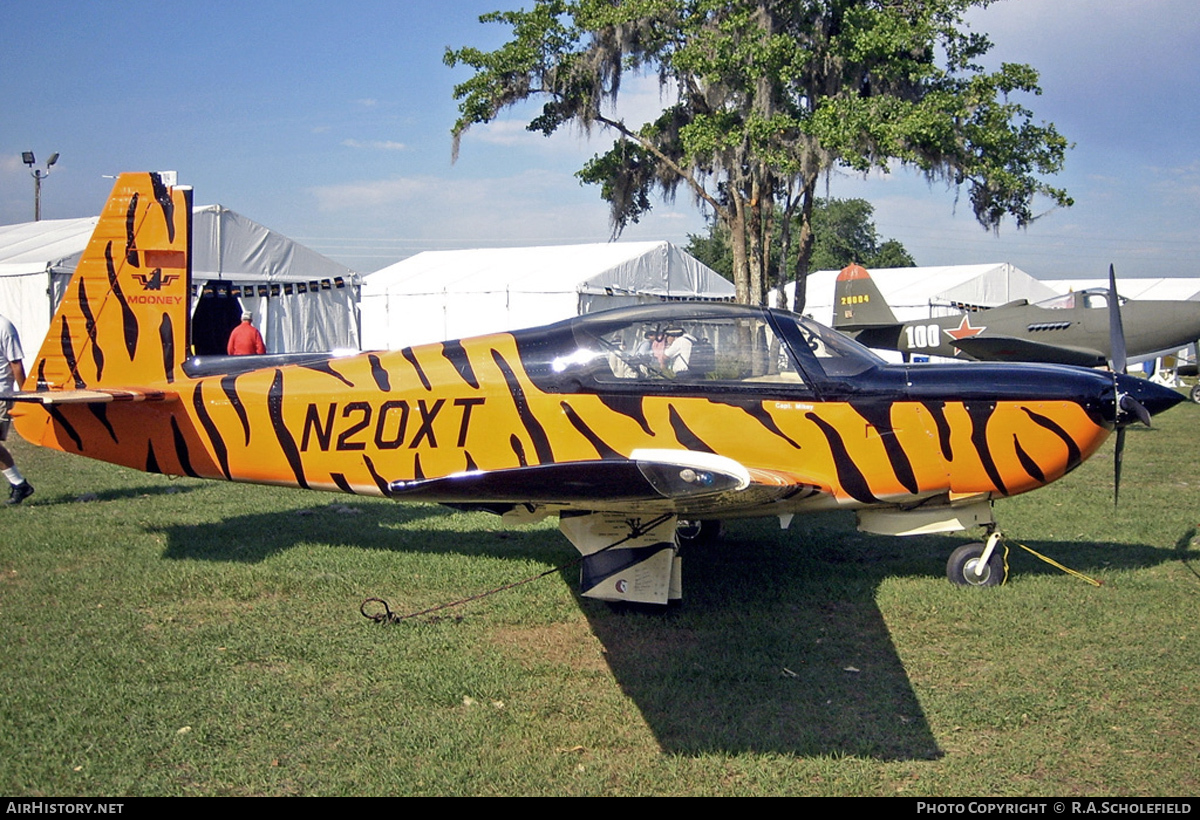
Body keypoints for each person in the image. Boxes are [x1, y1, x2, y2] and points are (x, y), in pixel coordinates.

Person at [0, 313, 33, 505]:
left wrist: (25, 396)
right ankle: (20, 485)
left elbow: (16, 365)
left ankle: (20, 485)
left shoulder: (5, 327)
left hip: (2, 395)